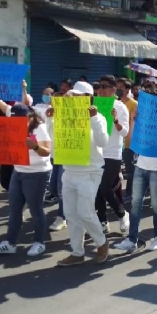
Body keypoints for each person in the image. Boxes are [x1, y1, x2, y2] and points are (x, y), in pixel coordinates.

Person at [113, 86, 157, 253]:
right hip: (141, 166)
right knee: (135, 204)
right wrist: (134, 120)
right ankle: (132, 239)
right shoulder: (140, 116)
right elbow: (132, 139)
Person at [57, 83, 111, 266]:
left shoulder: (99, 118)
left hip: (90, 172)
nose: (73, 99)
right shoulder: (65, 118)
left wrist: (94, 119)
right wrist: (51, 120)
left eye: (78, 96)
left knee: (85, 212)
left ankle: (102, 242)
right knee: (70, 214)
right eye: (72, 96)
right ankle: (77, 252)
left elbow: (103, 142)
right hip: (69, 171)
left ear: (88, 98)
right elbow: (54, 141)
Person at [0, 105, 52, 256]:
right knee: (14, 209)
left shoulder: (39, 128)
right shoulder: (12, 128)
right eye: (14, 119)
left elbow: (47, 151)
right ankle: (10, 242)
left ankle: (39, 243)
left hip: (36, 173)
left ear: (29, 116)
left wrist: (35, 147)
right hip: (18, 171)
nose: (16, 121)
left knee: (35, 210)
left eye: (19, 118)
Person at [95, 75, 130, 234]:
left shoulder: (120, 107)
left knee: (105, 188)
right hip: (97, 152)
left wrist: (115, 120)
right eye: (99, 87)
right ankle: (103, 221)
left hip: (113, 153)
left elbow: (125, 132)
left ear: (113, 89)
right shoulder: (95, 105)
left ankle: (122, 213)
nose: (100, 90)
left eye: (104, 86)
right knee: (96, 188)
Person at [116, 78, 138, 202]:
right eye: (117, 86)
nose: (118, 89)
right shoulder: (115, 103)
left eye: (121, 87)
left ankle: (130, 193)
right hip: (116, 143)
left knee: (130, 171)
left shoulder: (134, 104)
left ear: (127, 89)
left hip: (130, 143)